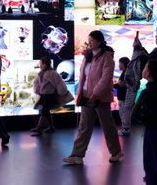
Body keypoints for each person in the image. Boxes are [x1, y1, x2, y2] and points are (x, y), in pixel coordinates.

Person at [62, 31, 123, 165]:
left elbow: (106, 78)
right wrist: (81, 92)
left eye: (92, 40)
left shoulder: (107, 57)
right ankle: (77, 154)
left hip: (100, 96)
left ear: (99, 41)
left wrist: (96, 93)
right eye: (88, 40)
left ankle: (116, 151)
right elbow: (84, 76)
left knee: (107, 124)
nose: (89, 43)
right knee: (84, 125)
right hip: (86, 94)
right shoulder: (88, 56)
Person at [31, 56, 74, 134]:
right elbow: (36, 82)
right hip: (44, 95)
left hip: (49, 96)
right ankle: (51, 127)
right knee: (46, 112)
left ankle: (39, 127)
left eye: (42, 64)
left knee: (44, 111)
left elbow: (59, 83)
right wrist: (38, 90)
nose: (40, 66)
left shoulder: (52, 73)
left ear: (47, 64)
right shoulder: (41, 74)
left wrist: (61, 91)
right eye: (40, 64)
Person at [114, 57, 131, 136]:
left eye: (120, 63)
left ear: (123, 64)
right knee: (123, 113)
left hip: (123, 97)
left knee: (124, 113)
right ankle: (125, 128)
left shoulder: (125, 74)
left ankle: (126, 129)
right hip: (122, 97)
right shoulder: (125, 73)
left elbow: (121, 85)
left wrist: (111, 85)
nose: (118, 65)